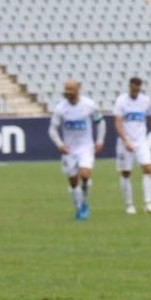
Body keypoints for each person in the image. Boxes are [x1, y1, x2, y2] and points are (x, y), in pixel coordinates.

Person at [49, 79, 105, 221]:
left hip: (86, 147)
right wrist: (60, 144)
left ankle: (84, 204)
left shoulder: (89, 105)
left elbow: (101, 122)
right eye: (66, 89)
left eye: (70, 89)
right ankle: (78, 207)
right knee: (73, 181)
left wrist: (99, 141)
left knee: (85, 175)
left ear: (77, 90)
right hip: (69, 149)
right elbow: (52, 129)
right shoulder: (61, 108)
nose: (67, 92)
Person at [114, 76, 151, 215]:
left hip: (141, 141)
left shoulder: (145, 101)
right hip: (125, 142)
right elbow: (118, 122)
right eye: (133, 87)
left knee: (148, 169)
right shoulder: (121, 101)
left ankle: (148, 203)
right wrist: (125, 140)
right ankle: (129, 204)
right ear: (129, 86)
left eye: (137, 88)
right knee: (126, 173)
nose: (135, 90)